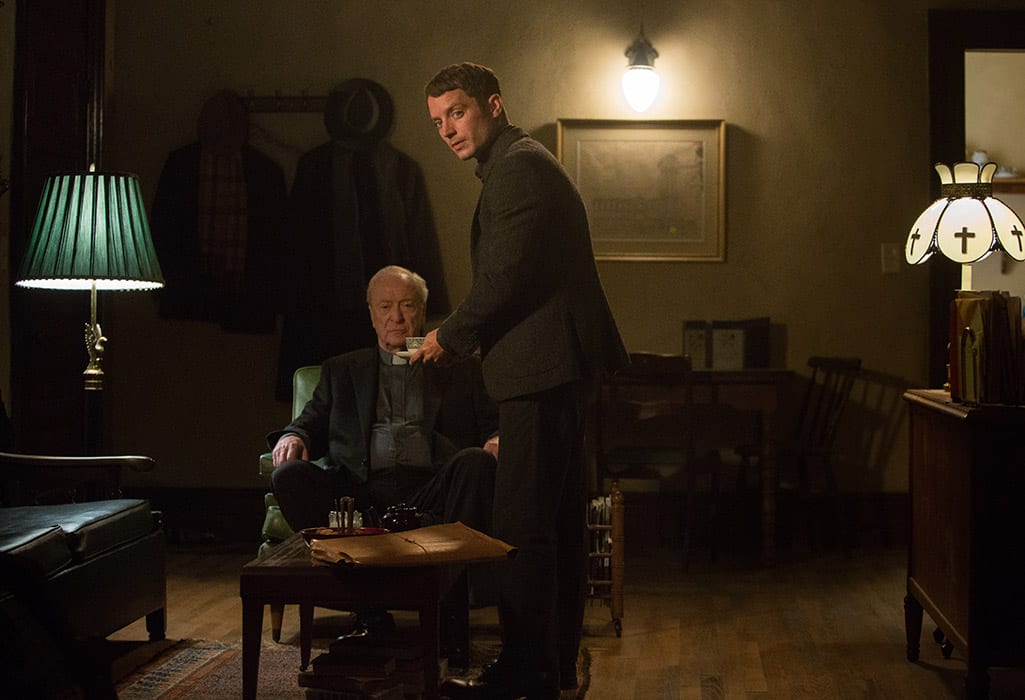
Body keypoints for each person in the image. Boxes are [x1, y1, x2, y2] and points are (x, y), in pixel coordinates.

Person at [418, 63, 629, 700]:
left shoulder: (518, 169)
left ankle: (526, 671)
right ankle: (549, 669)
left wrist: (447, 336)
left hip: (541, 372)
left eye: (457, 112)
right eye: (437, 121)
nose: (447, 130)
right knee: (554, 527)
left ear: (494, 104)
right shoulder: (518, 163)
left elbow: (503, 279)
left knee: (523, 529)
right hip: (550, 369)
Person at [268, 264, 499, 542]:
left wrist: (496, 438)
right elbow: (309, 424)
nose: (396, 318)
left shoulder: (463, 368)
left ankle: (449, 561)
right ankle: (346, 551)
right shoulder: (341, 371)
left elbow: (493, 425)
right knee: (289, 474)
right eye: (385, 307)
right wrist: (293, 436)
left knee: (476, 462)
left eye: (407, 305)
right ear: (372, 315)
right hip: (359, 494)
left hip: (434, 488)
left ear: (423, 310)